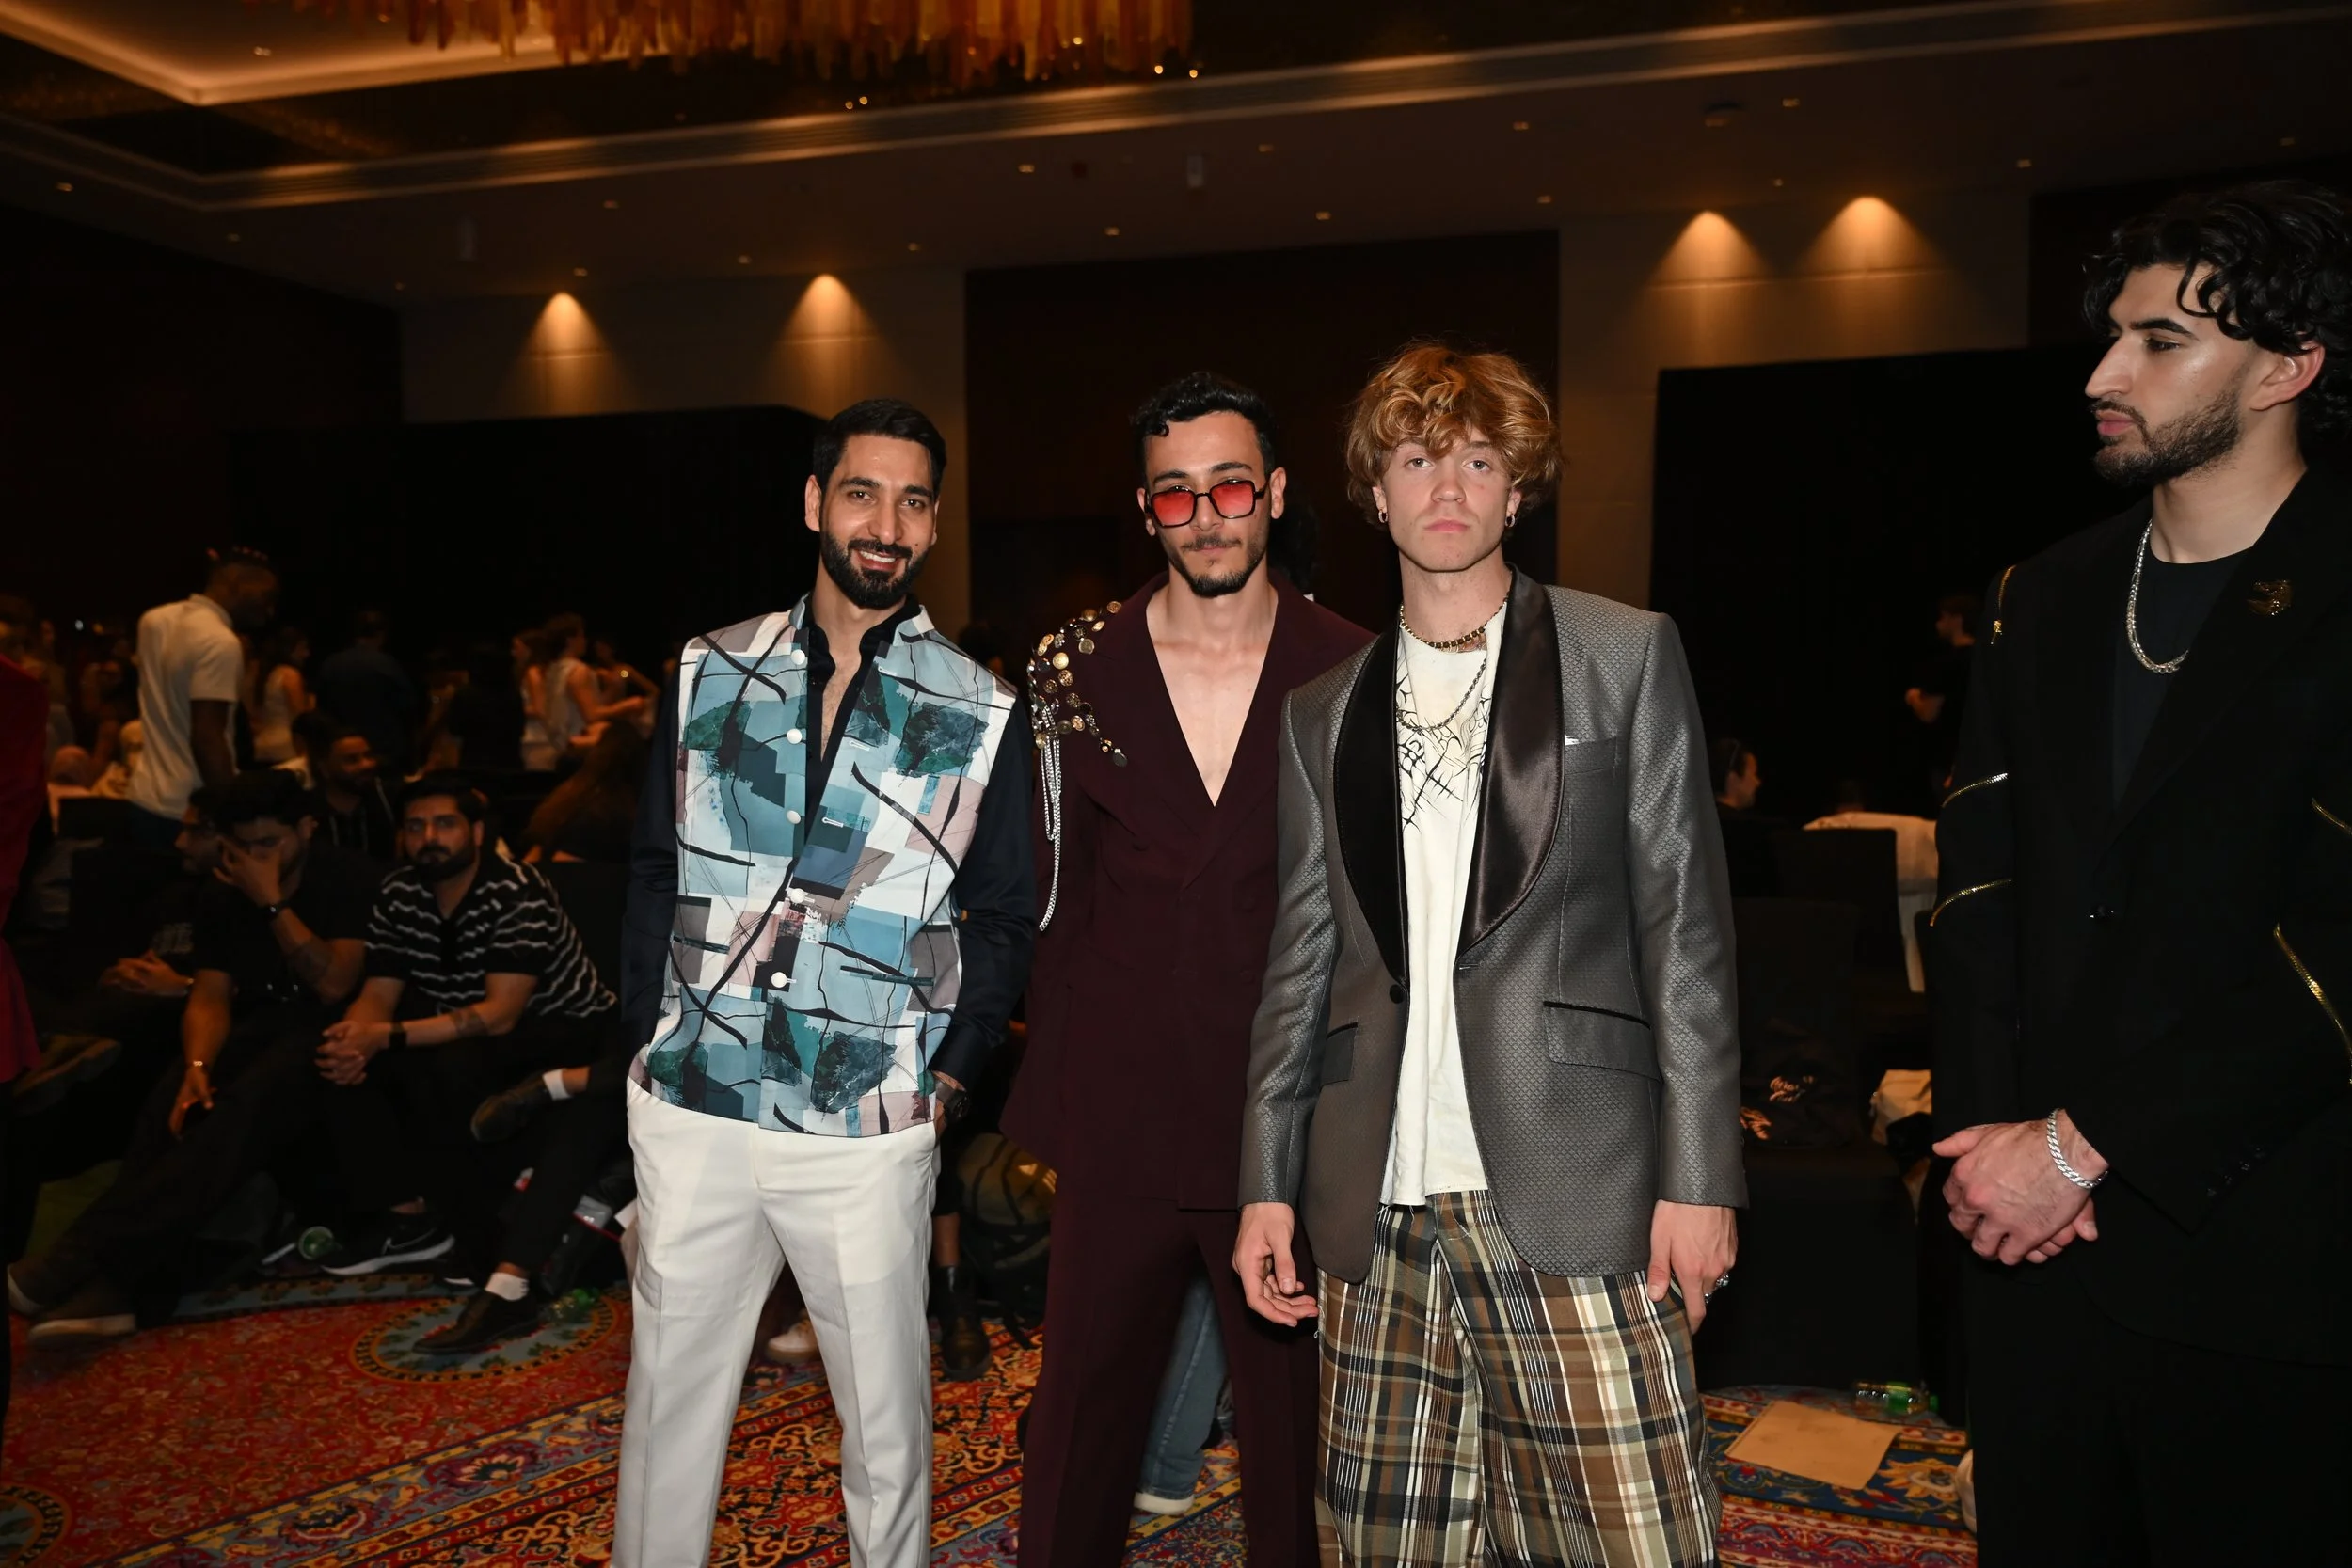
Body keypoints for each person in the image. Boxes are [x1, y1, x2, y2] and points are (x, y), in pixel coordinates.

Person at [1233, 344, 1742, 1567]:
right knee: (1384, 1545)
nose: (1446, 485)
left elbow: (1686, 926)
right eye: (1416, 459)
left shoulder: (1622, 653)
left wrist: (1702, 1171)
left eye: (1476, 459)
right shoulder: (1320, 711)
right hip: (1377, 1193)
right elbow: (1300, 958)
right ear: (1375, 491)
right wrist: (1266, 1174)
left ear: (1519, 487)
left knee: (1638, 1538)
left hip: (1581, 1182)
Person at [1931, 181, 2352, 1564]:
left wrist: (2082, 1144)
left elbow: (2333, 953)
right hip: (2033, 1259)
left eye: (2162, 340)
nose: (2107, 374)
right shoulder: (2036, 593)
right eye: (2113, 335)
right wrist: (1999, 1168)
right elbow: (1982, 904)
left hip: (2264, 1257)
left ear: (2291, 367)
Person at [614, 397, 1033, 1568]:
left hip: (866, 1118)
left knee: (885, 1428)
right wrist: (641, 1050)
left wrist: (946, 1081)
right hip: (693, 1099)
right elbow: (653, 865)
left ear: (935, 525)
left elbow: (1002, 917)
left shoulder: (981, 709)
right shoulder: (709, 669)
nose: (884, 522)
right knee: (667, 1406)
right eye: (861, 492)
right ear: (815, 503)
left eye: (910, 500)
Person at [1008, 372, 1368, 1568]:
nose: (1206, 514)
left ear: (1271, 492)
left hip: (1293, 1113)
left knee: (1298, 1434)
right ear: (1145, 509)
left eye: (1228, 485)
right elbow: (1053, 897)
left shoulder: (1358, 667)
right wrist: (1050, 1101)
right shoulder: (1071, 668)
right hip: (1120, 1104)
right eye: (1176, 494)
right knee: (1079, 1415)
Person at [6, 768, 376, 1343]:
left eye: (269, 845)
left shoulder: (345, 877)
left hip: (336, 1033)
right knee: (171, 1102)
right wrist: (198, 1068)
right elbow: (209, 996)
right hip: (257, 1023)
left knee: (244, 1107)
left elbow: (334, 984)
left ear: (306, 828)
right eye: (243, 847)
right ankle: (120, 1290)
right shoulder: (221, 893)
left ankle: (81, 1260)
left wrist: (273, 903)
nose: (255, 859)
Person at [310, 773, 622, 1277]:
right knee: (335, 1059)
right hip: (466, 1028)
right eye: (415, 827)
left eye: (444, 824)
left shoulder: (516, 890)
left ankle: (481, 1235)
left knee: (449, 1069)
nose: (428, 838)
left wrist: (383, 1036)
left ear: (476, 833)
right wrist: (352, 1040)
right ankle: (408, 1218)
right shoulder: (399, 892)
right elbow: (378, 993)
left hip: (563, 1025)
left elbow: (500, 1014)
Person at [125, 547, 278, 847]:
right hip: (189, 809)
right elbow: (207, 738)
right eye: (267, 597)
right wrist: (233, 812)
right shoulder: (220, 642)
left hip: (142, 796)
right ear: (236, 582)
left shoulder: (154, 621)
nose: (269, 611)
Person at [315, 610, 421, 777]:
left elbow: (322, 709)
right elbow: (408, 708)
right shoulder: (386, 665)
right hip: (384, 750)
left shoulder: (331, 665)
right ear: (381, 634)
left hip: (344, 750)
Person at [521, 722, 644, 863]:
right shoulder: (570, 802)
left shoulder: (597, 815)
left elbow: (564, 870)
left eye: (585, 734)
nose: (573, 739)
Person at [542, 613, 646, 759]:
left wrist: (612, 688)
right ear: (570, 639)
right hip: (579, 745)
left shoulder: (555, 669)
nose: (585, 641)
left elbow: (583, 704)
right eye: (581, 636)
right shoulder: (578, 670)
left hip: (559, 745)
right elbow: (591, 715)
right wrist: (628, 705)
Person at [1711, 736, 1783, 896]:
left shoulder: (1688, 825)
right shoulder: (1755, 831)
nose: (1757, 782)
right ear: (1733, 778)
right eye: (1753, 773)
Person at [245, 626, 313, 766]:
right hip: (287, 747)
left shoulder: (264, 675)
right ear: (290, 648)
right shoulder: (290, 674)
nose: (306, 654)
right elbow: (300, 717)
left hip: (261, 745)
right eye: (302, 648)